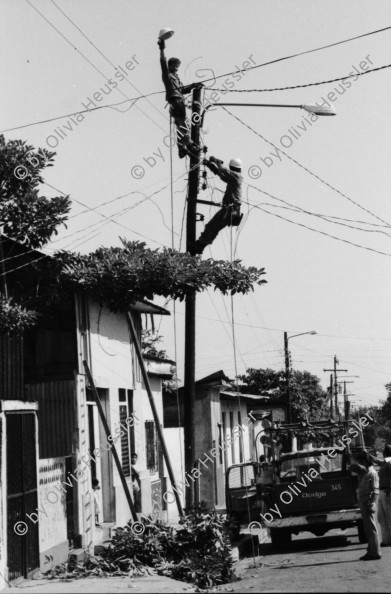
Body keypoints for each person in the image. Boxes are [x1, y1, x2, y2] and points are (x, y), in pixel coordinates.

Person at [158, 37, 200, 159]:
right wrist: (162, 48)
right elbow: (162, 62)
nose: (176, 68)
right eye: (174, 66)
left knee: (180, 126)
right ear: (170, 66)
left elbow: (182, 90)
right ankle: (191, 145)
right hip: (176, 101)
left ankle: (182, 149)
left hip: (178, 101)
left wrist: (193, 86)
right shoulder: (167, 75)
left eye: (177, 66)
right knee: (185, 124)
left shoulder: (177, 78)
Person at [193, 156, 243, 254]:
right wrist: (210, 165)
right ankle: (200, 246)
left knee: (211, 226)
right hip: (231, 210)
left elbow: (223, 169)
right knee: (214, 228)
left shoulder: (237, 176)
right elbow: (221, 174)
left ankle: (199, 245)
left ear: (232, 167)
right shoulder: (234, 179)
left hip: (230, 209)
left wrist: (215, 160)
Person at [351, 450, 381, 560]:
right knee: (368, 529)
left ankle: (375, 552)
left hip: (368, 503)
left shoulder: (372, 473)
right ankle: (370, 550)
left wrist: (371, 502)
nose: (359, 463)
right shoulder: (363, 473)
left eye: (360, 461)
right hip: (363, 503)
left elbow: (375, 491)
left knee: (372, 529)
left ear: (365, 461)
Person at [372, 444, 391, 546]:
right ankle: (387, 540)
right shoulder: (385, 462)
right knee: (381, 517)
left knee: (389, 517)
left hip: (388, 491)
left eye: (385, 450)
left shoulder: (389, 461)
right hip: (382, 492)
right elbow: (377, 461)